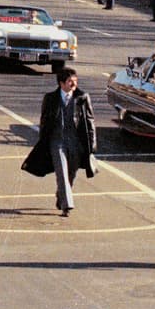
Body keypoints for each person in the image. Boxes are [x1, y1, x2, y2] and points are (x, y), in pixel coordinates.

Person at [21, 67, 97, 217]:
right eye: (70, 81)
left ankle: (61, 195)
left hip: (75, 142)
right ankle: (67, 205)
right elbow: (44, 121)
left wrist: (92, 143)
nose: (73, 85)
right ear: (61, 83)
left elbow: (90, 120)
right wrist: (44, 142)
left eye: (75, 81)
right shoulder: (50, 98)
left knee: (71, 173)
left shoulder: (82, 97)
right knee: (61, 172)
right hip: (57, 142)